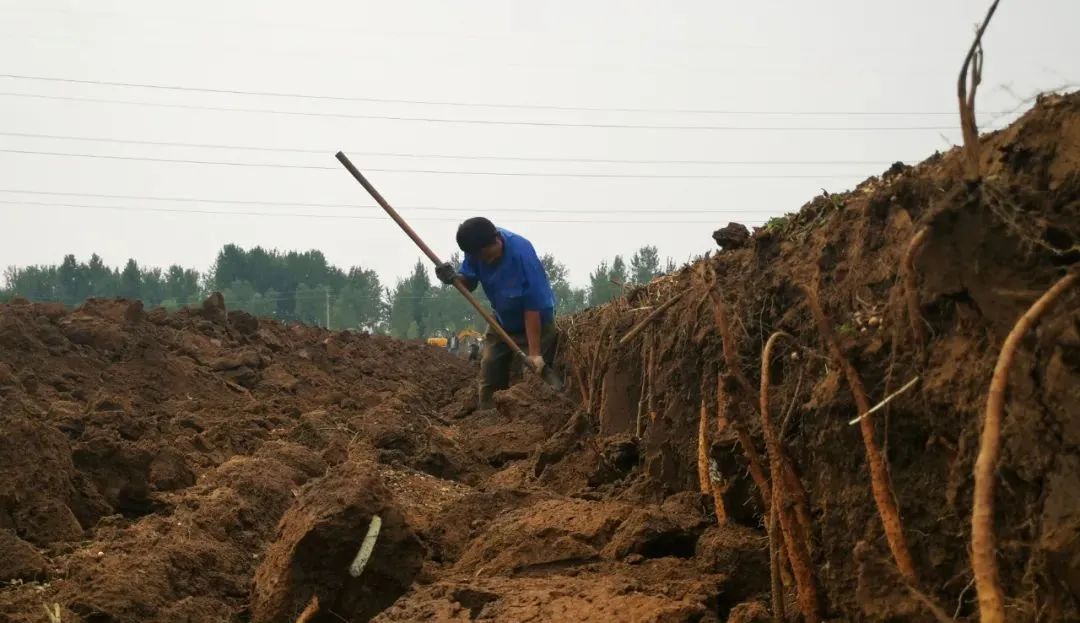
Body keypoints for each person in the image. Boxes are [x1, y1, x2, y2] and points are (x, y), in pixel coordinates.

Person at [436, 217, 557, 409]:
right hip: (501, 320)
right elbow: (470, 282)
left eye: (484, 257)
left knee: (535, 379)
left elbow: (533, 306)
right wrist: (454, 279)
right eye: (477, 258)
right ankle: (487, 420)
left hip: (536, 324)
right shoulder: (475, 249)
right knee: (490, 370)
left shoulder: (521, 254)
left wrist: (534, 354)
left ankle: (539, 419)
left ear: (495, 242)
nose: (483, 262)